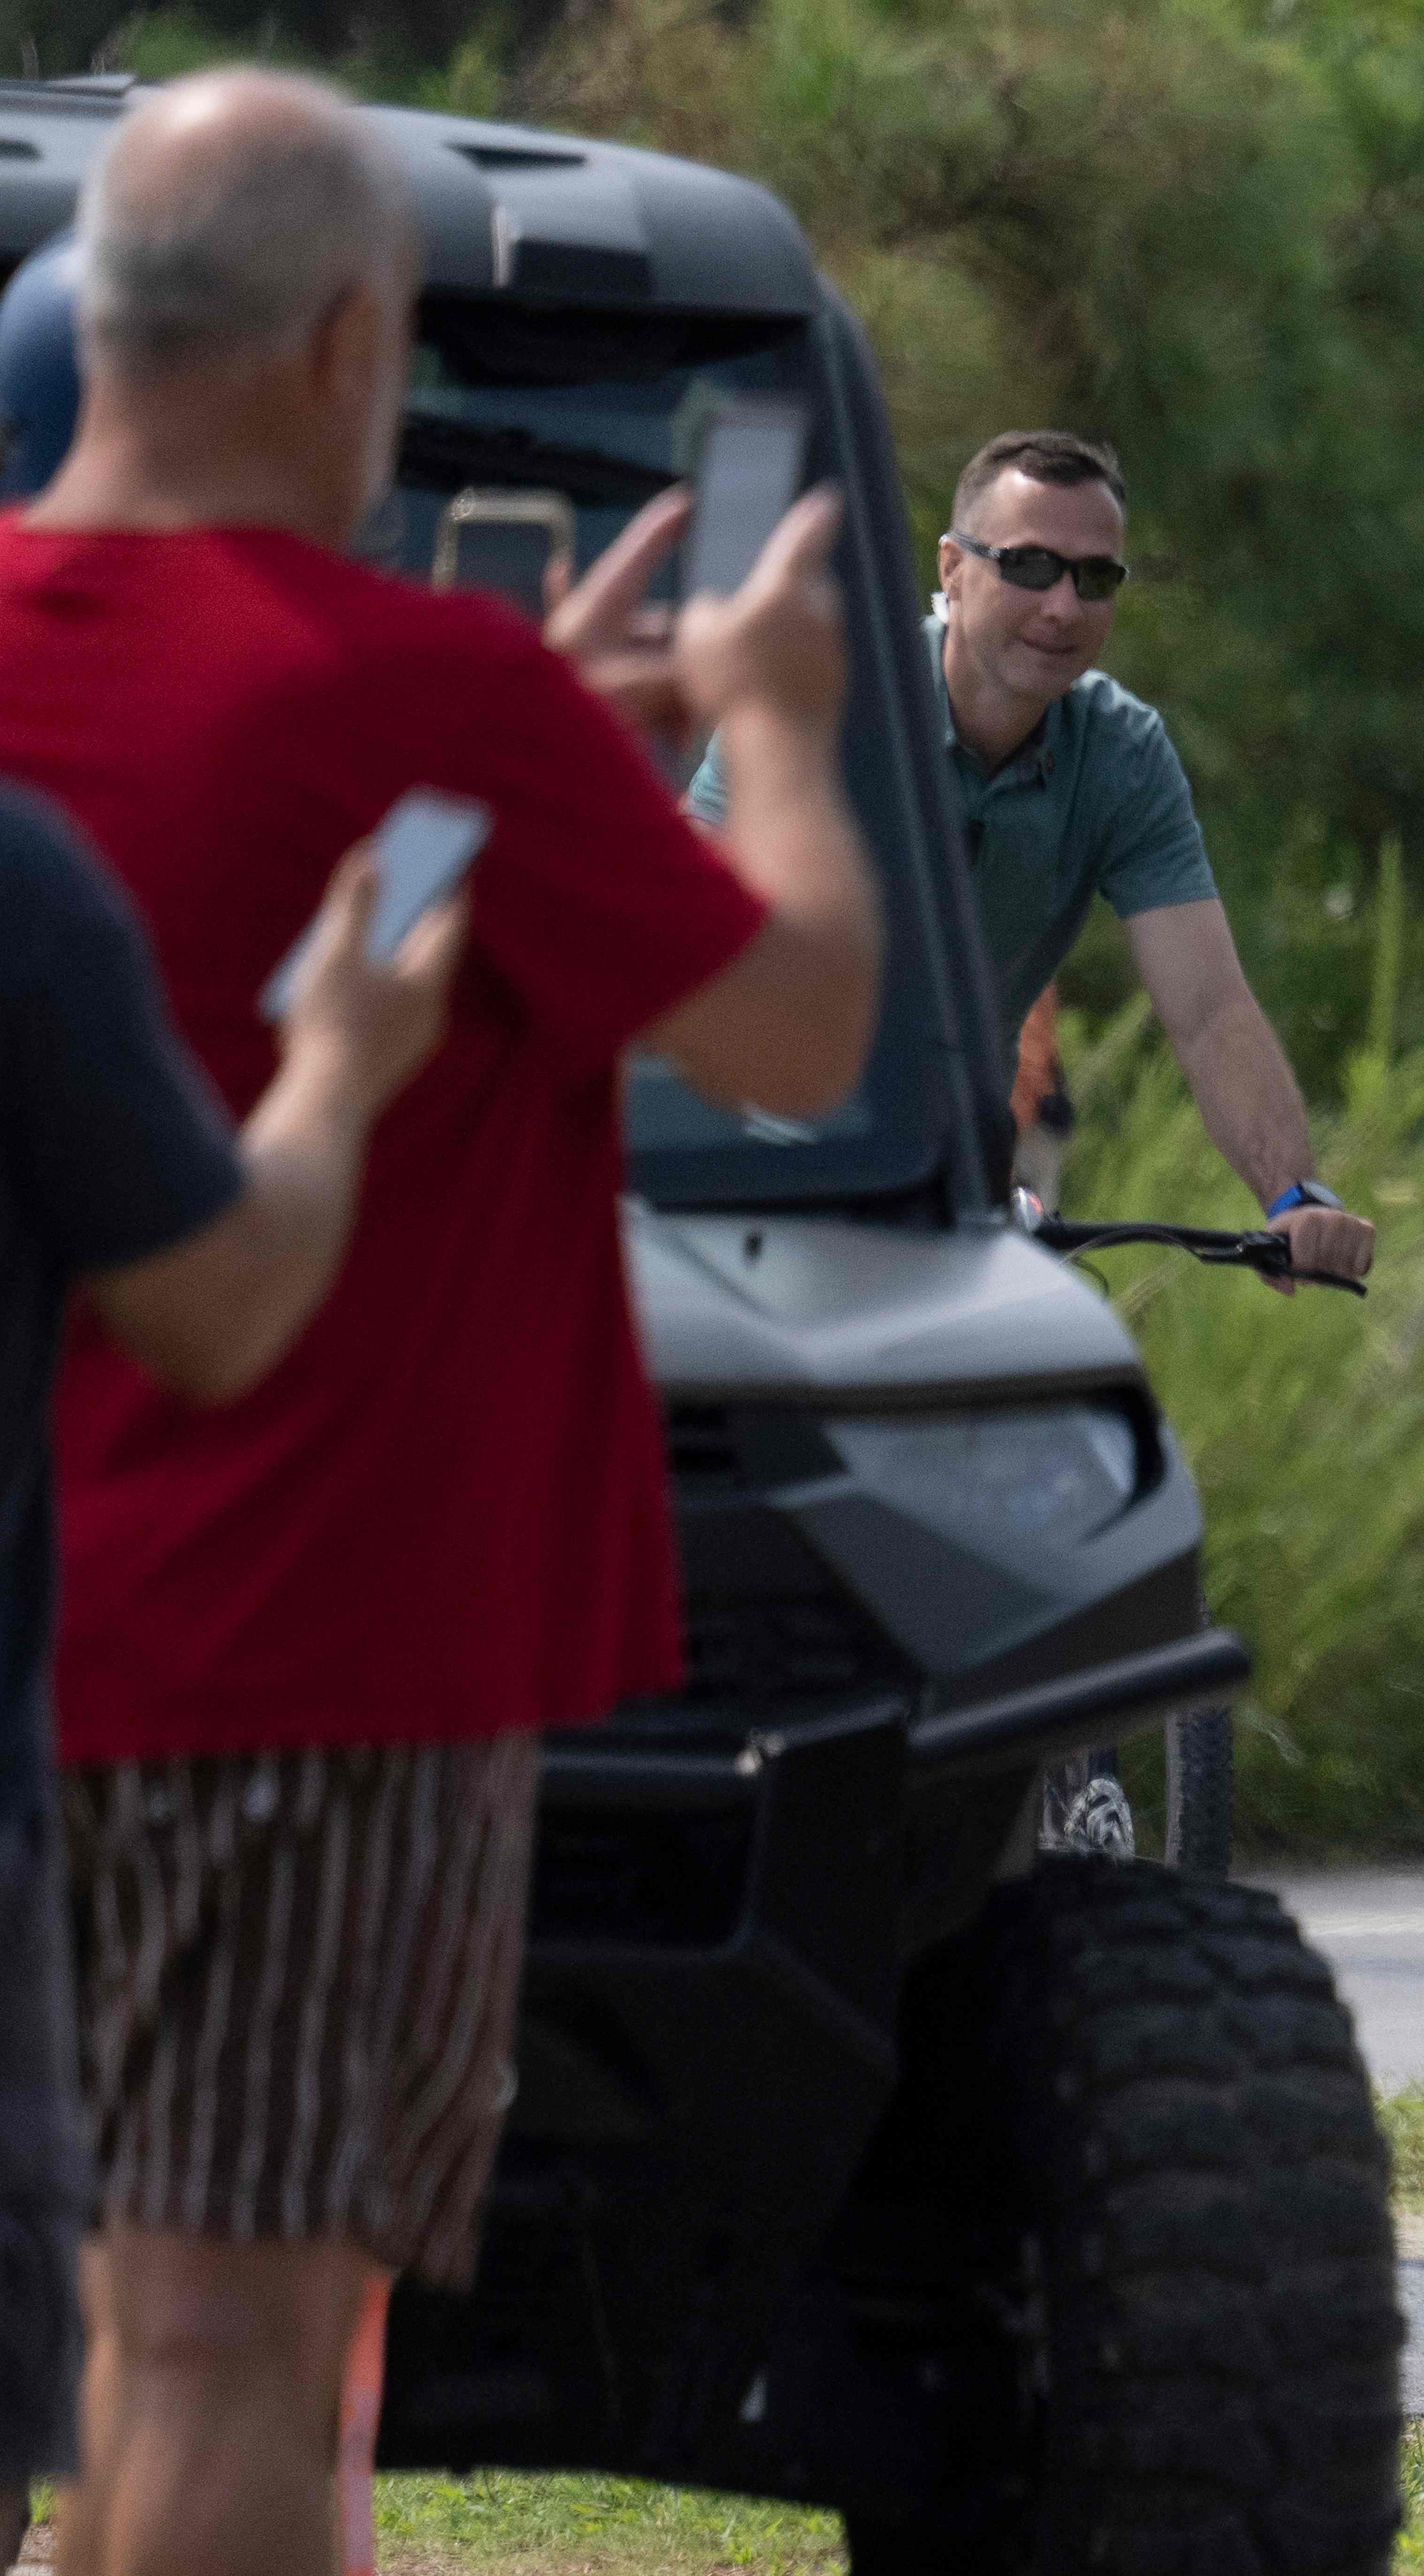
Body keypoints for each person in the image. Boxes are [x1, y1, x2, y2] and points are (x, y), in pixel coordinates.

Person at [0, 71, 880, 2576]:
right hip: (312, 1663)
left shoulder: (402, 723)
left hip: (36, 1648)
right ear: (346, 337)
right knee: (234, 2361)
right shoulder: (424, 696)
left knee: (88, 2346)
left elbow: (231, 896)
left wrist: (535, 759)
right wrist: (780, 726)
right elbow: (798, 1029)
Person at [0, 819, 460, 2567]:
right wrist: (340, 1060)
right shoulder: (29, 895)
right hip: (107, 1757)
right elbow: (220, 1299)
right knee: (211, 2332)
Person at [693, 429, 1376, 1286]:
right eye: (1027, 566)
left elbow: (1207, 1010)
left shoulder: (1121, 755)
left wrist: (1295, 1196)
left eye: (1095, 578)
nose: (1062, 606)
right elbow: (671, 933)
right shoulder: (826, 701)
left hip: (951, 1191)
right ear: (951, 568)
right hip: (742, 1184)